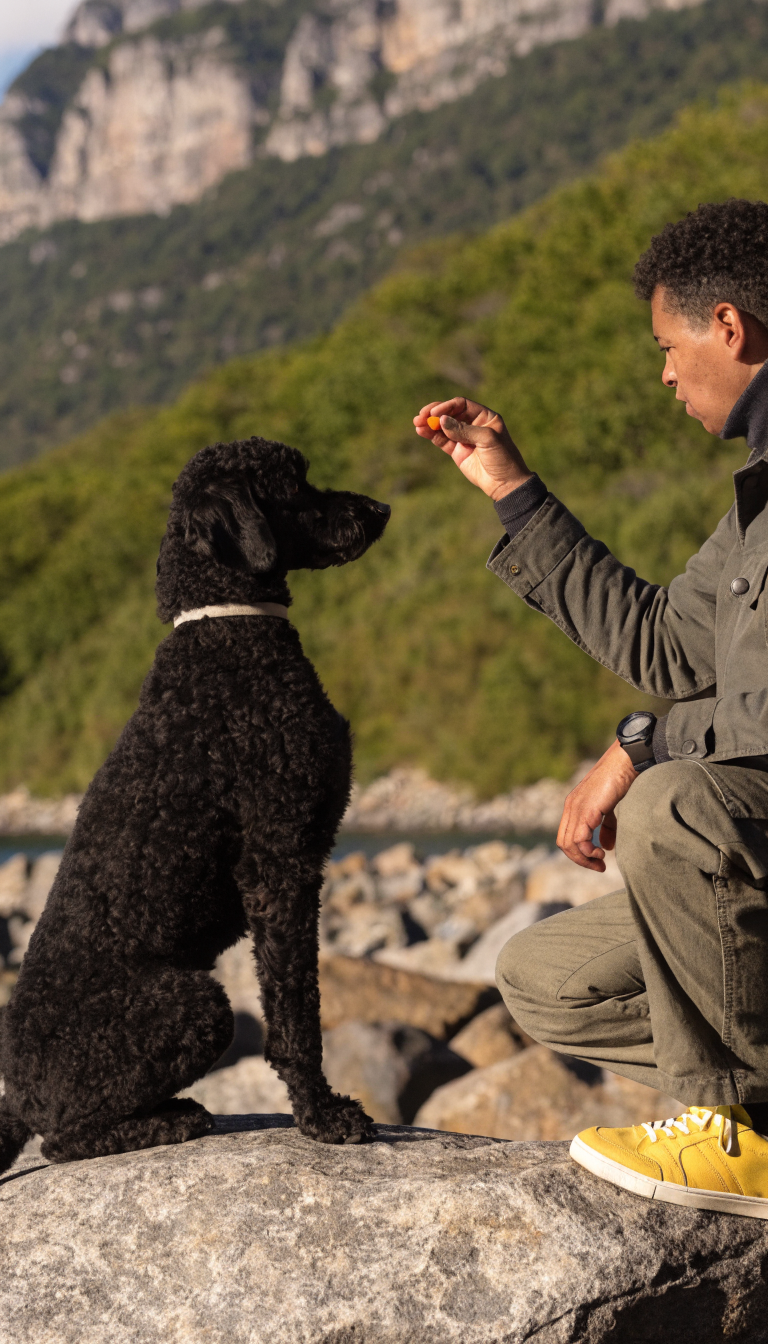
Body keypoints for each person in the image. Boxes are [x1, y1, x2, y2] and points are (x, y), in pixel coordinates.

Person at [414, 198, 768, 1218]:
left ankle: (732, 1129)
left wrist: (644, 745)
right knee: (546, 977)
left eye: (668, 344)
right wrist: (513, 490)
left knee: (670, 807)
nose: (663, 371)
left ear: (731, 329)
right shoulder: (754, 507)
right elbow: (661, 642)